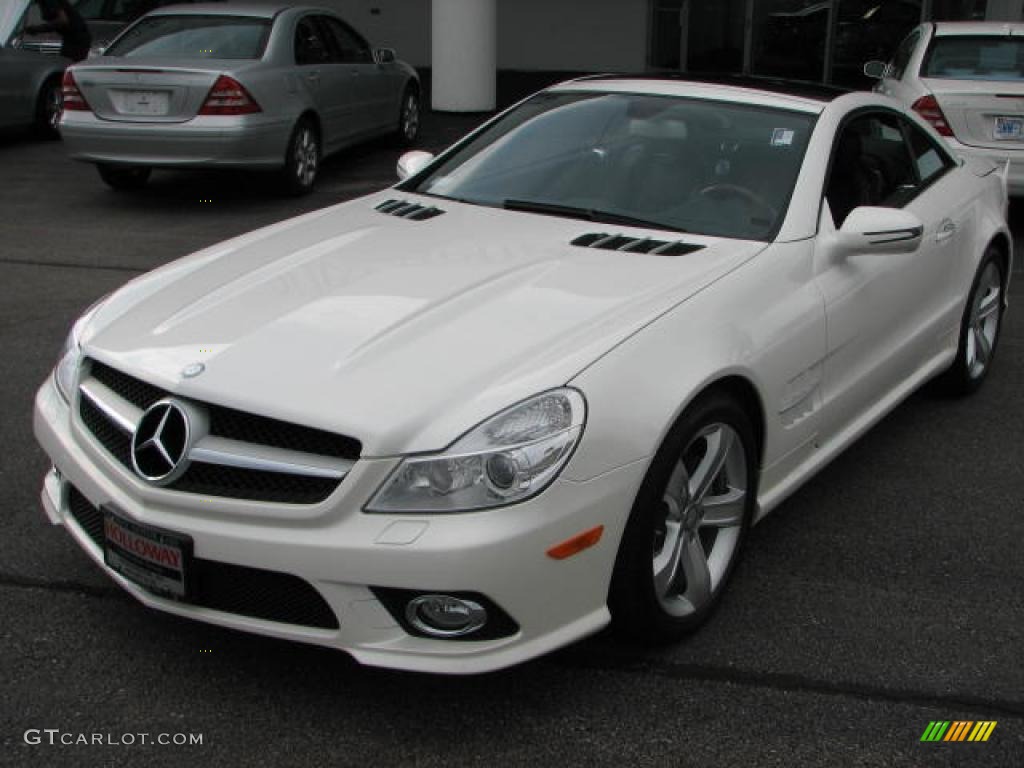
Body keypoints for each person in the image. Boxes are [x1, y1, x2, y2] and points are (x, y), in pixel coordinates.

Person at [24, 0, 92, 62]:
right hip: (70, 39)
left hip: (77, 39)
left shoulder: (51, 1)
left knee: (67, 64)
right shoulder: (41, 3)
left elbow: (63, 20)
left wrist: (39, 29)